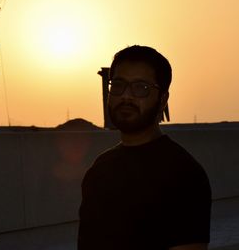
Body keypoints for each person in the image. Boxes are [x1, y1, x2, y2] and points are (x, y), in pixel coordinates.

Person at [78, 45, 212, 250]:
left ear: (162, 100)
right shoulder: (99, 171)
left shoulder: (184, 175)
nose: (126, 96)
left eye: (141, 88)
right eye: (118, 85)